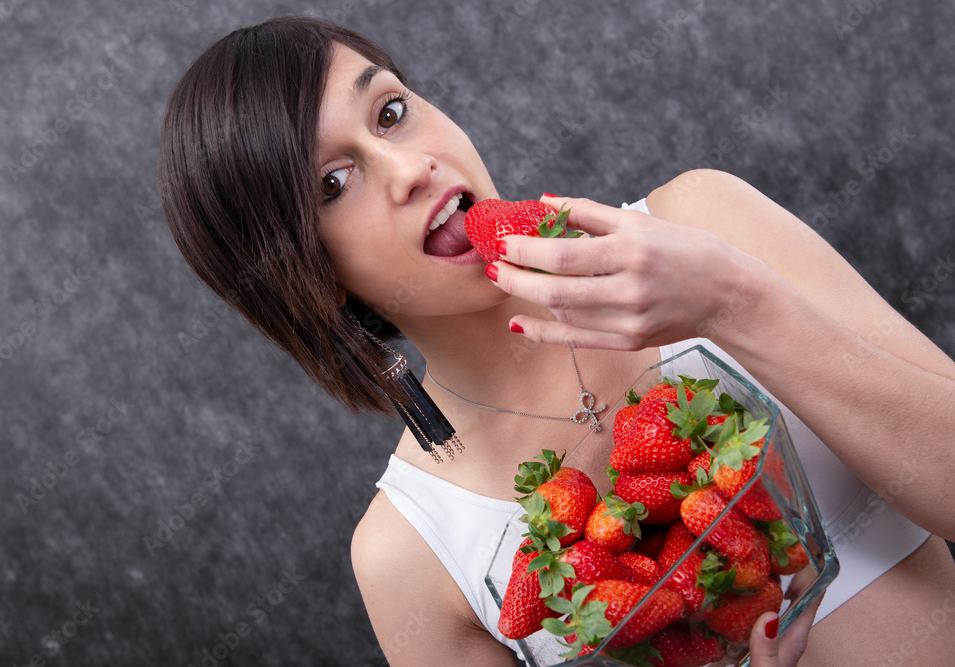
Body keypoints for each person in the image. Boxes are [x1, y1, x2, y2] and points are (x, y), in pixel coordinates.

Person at [158, 16, 955, 667]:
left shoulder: (703, 223)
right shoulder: (409, 554)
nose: (408, 168)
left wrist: (731, 302)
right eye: (334, 184)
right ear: (308, 274)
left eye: (391, 112)